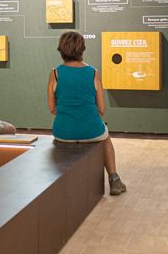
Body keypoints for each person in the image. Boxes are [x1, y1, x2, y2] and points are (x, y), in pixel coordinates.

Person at [48, 31, 126, 195]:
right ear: (82, 49)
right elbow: (102, 109)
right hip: (91, 130)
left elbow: (52, 108)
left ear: (61, 49)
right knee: (106, 139)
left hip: (63, 132)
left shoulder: (55, 73)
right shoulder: (93, 73)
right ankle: (114, 179)